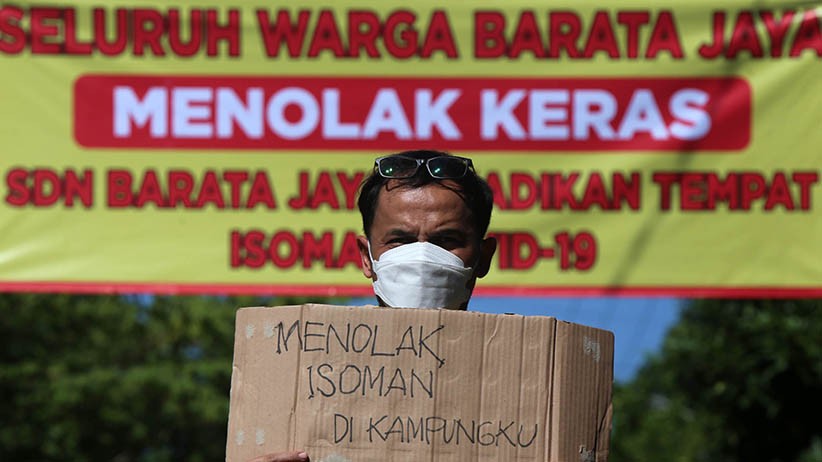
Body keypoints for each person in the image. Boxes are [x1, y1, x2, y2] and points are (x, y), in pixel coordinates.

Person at [248, 150, 497, 462]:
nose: (421, 257)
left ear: (483, 257)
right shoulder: (291, 377)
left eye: (446, 241)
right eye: (400, 241)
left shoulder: (522, 377)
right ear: (366, 257)